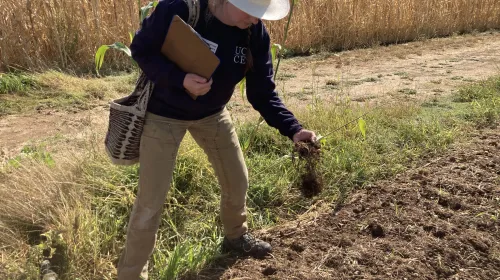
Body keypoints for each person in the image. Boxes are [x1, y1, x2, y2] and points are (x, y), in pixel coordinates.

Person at [117, 0, 317, 278]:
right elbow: (142, 49)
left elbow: (263, 93)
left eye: (261, 14)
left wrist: (294, 129)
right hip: (163, 115)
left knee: (237, 180)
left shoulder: (254, 33)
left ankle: (235, 236)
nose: (256, 20)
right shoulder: (182, 8)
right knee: (150, 203)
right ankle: (131, 274)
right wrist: (180, 79)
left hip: (212, 114)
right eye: (251, 11)